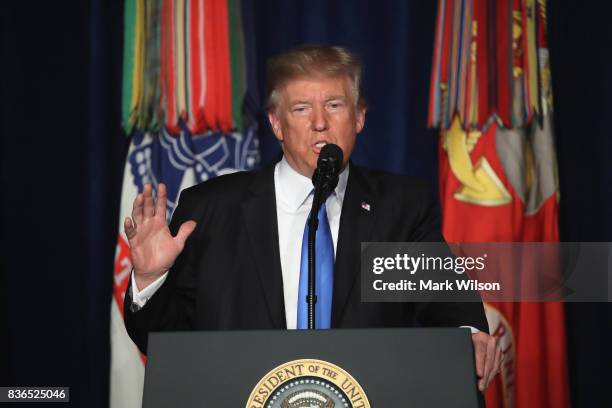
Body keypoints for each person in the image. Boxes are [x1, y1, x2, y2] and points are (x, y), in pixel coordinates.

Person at [123, 45, 502, 392]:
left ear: (359, 117)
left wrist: (468, 338)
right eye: (301, 108)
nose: (319, 122)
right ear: (276, 124)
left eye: (335, 105)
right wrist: (151, 279)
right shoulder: (209, 209)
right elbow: (166, 346)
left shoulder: (399, 208)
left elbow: (449, 305)